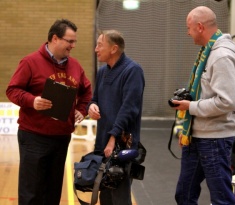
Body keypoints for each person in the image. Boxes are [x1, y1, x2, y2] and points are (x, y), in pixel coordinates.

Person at [6, 19, 92, 205]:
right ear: (55, 38)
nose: (73, 46)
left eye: (74, 41)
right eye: (70, 41)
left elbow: (86, 91)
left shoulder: (75, 66)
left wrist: (81, 109)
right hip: (33, 136)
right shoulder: (30, 62)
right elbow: (12, 90)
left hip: (61, 137)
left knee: (52, 193)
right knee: (31, 193)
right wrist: (32, 101)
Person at [171, 6, 235, 204]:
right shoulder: (208, 52)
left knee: (221, 199)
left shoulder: (221, 56)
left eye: (189, 28)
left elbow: (226, 101)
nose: (188, 33)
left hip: (214, 139)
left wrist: (190, 107)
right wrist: (189, 128)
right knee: (184, 195)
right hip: (197, 136)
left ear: (200, 27)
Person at [88, 30, 145, 205]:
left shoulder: (133, 70)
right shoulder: (102, 72)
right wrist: (90, 106)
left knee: (119, 198)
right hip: (103, 143)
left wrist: (113, 138)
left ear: (113, 49)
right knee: (105, 195)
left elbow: (129, 109)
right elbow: (94, 99)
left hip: (121, 144)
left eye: (100, 45)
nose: (96, 49)